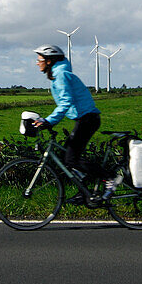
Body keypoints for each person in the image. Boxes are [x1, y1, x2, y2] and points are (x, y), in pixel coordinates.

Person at [30, 44, 113, 202]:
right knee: (66, 156)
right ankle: (84, 190)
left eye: (39, 59)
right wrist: (48, 121)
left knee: (71, 159)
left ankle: (109, 178)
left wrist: (49, 121)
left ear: (48, 61)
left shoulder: (60, 75)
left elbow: (65, 102)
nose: (37, 62)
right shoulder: (59, 73)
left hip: (88, 119)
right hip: (85, 118)